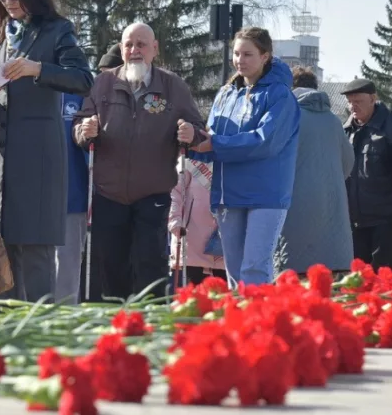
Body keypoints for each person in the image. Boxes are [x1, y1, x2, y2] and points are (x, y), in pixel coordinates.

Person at [0, 0, 92, 302]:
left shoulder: (58, 29)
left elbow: (83, 79)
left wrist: (37, 68)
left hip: (38, 158)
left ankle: (41, 344)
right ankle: (5, 346)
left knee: (35, 257)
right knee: (1, 259)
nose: (8, 2)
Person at [73, 23, 207, 300]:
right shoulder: (103, 83)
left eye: (141, 44)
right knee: (110, 266)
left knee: (151, 264)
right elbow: (79, 124)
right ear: (121, 49)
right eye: (128, 45)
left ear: (154, 49)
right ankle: (114, 323)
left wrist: (191, 133)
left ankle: (153, 322)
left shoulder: (172, 86)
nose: (134, 51)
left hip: (153, 193)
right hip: (108, 193)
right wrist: (84, 130)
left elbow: (198, 128)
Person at [190, 27, 300, 286]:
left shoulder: (280, 95)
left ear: (265, 56)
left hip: (265, 195)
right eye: (237, 54)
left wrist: (213, 144)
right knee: (235, 272)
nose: (240, 60)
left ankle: (259, 325)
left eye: (248, 54)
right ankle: (238, 324)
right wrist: (190, 143)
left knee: (254, 269)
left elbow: (266, 142)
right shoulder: (225, 94)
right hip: (228, 194)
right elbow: (211, 140)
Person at [278, 68, 354, 274]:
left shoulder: (287, 116)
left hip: (293, 209)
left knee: (293, 281)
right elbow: (348, 162)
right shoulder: (334, 120)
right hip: (332, 212)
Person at [342, 79, 392, 270]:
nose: (353, 106)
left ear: (373, 98)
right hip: (353, 222)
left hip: (385, 220)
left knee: (383, 281)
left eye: (358, 101)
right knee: (356, 281)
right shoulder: (346, 130)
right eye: (350, 102)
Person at [168, 155, 225, 284]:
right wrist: (175, 221)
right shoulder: (189, 160)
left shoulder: (237, 159)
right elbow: (174, 192)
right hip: (191, 247)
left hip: (226, 251)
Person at [55, 92, 89, 304]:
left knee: (67, 268)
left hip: (72, 194)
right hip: (29, 196)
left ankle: (64, 328)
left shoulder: (83, 89)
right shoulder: (24, 81)